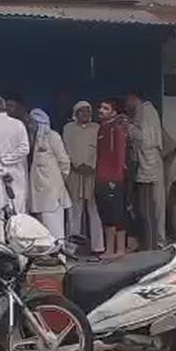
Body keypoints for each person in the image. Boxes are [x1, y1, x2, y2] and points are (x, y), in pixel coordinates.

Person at [0, 96, 30, 239]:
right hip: (15, 175)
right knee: (17, 216)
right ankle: (19, 250)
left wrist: (0, 166)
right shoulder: (18, 124)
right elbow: (25, 149)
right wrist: (7, 160)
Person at [126, 90, 166, 250]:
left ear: (134, 98)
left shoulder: (147, 111)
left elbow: (146, 139)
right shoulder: (142, 111)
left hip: (149, 166)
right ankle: (149, 242)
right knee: (144, 208)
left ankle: (153, 243)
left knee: (148, 208)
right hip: (144, 165)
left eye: (128, 100)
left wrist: (128, 126)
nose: (126, 104)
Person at [63, 101, 103, 253]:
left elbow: (100, 149)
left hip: (92, 173)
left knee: (94, 209)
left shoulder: (96, 128)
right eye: (82, 111)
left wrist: (92, 166)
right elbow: (66, 148)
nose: (85, 114)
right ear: (76, 113)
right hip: (75, 173)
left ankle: (98, 247)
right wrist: (76, 165)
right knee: (74, 210)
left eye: (88, 111)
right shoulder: (69, 128)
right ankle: (72, 248)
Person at [28, 108, 71, 240]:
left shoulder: (53, 137)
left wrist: (60, 182)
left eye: (32, 122)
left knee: (54, 228)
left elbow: (64, 162)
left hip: (52, 191)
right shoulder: (32, 140)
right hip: (38, 192)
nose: (30, 125)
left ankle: (59, 252)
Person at [95, 99, 131, 257]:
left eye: (106, 108)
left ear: (114, 112)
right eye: (100, 107)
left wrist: (116, 177)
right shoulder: (102, 129)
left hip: (113, 178)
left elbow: (120, 154)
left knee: (117, 214)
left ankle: (120, 249)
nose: (101, 110)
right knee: (106, 214)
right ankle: (109, 249)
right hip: (101, 177)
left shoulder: (116, 129)